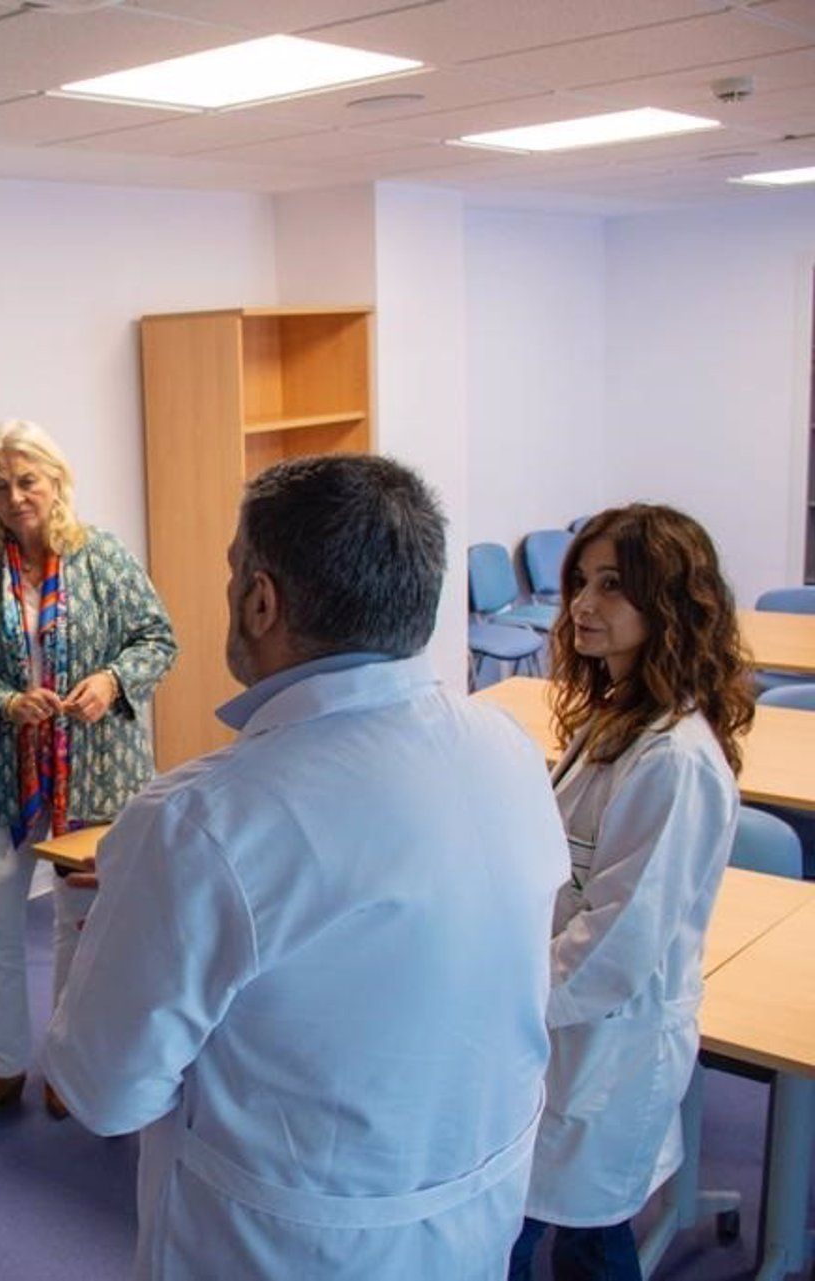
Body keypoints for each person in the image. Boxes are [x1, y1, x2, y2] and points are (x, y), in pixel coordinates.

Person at [40, 454, 569, 1279]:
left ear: (260, 598)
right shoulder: (509, 749)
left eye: (230, 572)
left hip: (284, 1249)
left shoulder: (199, 821)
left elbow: (104, 1091)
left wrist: (94, 925)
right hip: (474, 1224)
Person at [510, 504, 752, 1280]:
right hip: (570, 1035)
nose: (583, 604)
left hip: (605, 1045)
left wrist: (504, 1003)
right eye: (580, 581)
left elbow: (617, 943)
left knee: (574, 1235)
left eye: (613, 586)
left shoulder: (674, 759)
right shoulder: (617, 715)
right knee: (560, 1227)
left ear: (670, 601)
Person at [0, 419, 175, 1133]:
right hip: (5, 770)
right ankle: (0, 1068)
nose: (15, 494)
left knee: (83, 921)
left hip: (94, 769)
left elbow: (158, 635)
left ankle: (70, 1067)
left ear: (55, 480)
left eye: (27, 479)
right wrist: (2, 700)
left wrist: (112, 679)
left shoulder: (102, 554)